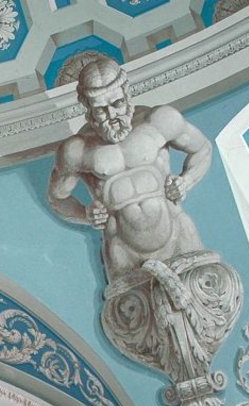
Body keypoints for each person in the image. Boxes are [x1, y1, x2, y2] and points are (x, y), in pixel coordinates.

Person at [47, 58, 213, 284]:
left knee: (208, 294)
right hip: (122, 252)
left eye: (117, 103)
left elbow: (203, 149)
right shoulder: (76, 150)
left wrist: (186, 181)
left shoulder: (159, 121)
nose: (111, 114)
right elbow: (57, 198)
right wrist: (85, 214)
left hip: (179, 236)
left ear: (127, 92)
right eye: (100, 109)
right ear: (87, 106)